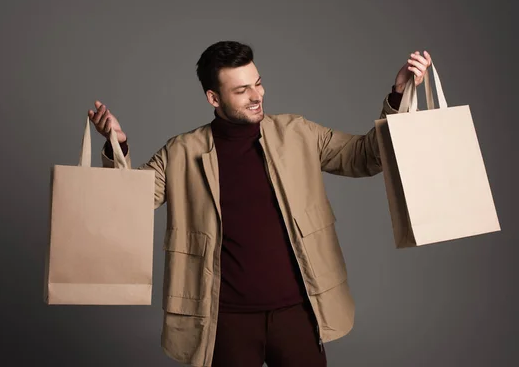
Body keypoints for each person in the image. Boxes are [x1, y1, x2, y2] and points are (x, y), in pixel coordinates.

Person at [87, 41, 432, 367]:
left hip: (298, 313)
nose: (257, 96)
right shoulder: (180, 153)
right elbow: (129, 203)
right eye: (241, 90)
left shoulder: (298, 133)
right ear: (213, 97)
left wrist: (398, 94)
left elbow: (366, 157)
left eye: (258, 83)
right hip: (224, 319)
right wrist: (117, 145)